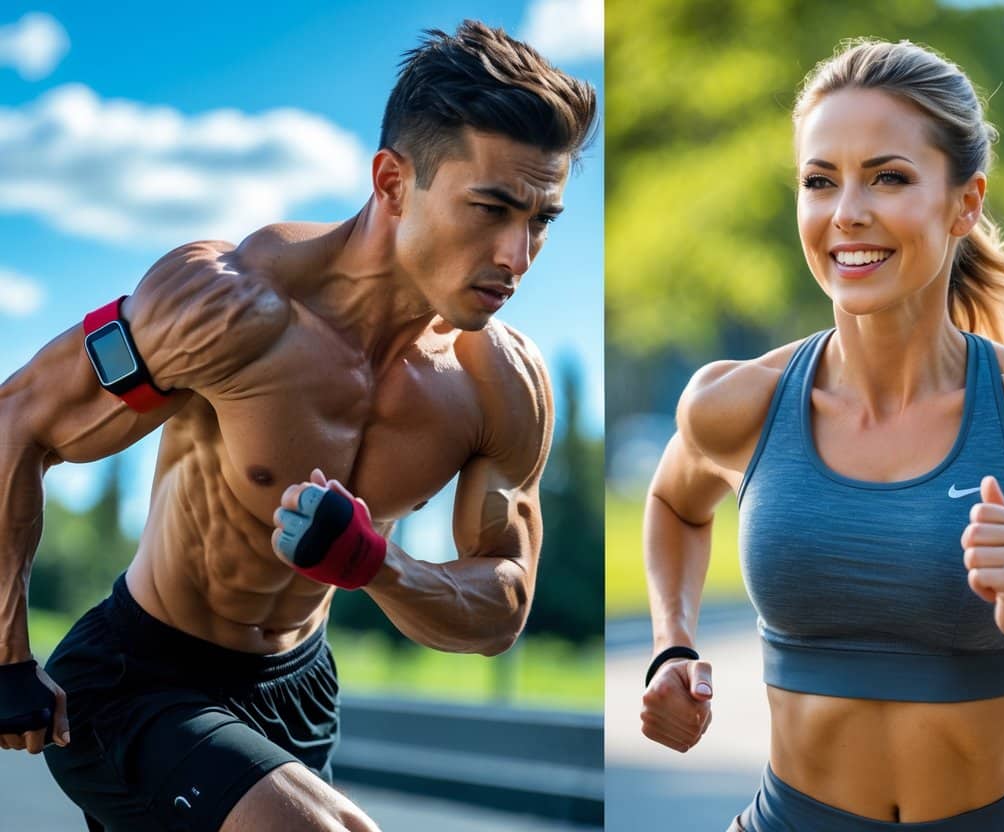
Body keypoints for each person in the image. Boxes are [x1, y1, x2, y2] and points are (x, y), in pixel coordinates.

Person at [0, 19, 596, 832]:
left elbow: (501, 605)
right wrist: (5, 656)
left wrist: (376, 565)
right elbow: (19, 421)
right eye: (490, 208)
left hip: (300, 696)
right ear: (392, 182)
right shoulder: (232, 307)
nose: (516, 254)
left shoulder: (501, 384)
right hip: (136, 678)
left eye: (542, 220)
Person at [640, 39, 1004, 832]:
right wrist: (670, 646)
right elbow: (675, 504)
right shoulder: (735, 402)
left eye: (887, 177)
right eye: (819, 181)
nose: (845, 211)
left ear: (965, 204)